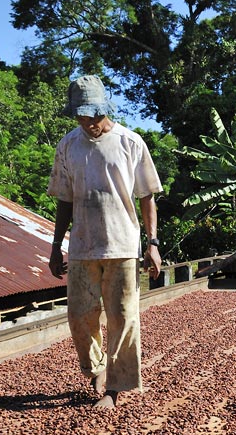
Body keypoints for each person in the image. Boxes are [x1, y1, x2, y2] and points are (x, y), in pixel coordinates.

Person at [47, 75, 163, 409]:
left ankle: (115, 386)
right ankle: (96, 368)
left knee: (123, 316)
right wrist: (56, 246)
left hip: (123, 244)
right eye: (81, 117)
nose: (88, 123)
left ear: (104, 110)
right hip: (83, 245)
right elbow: (64, 200)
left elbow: (146, 196)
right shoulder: (68, 145)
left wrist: (152, 243)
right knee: (79, 315)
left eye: (93, 116)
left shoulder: (131, 142)